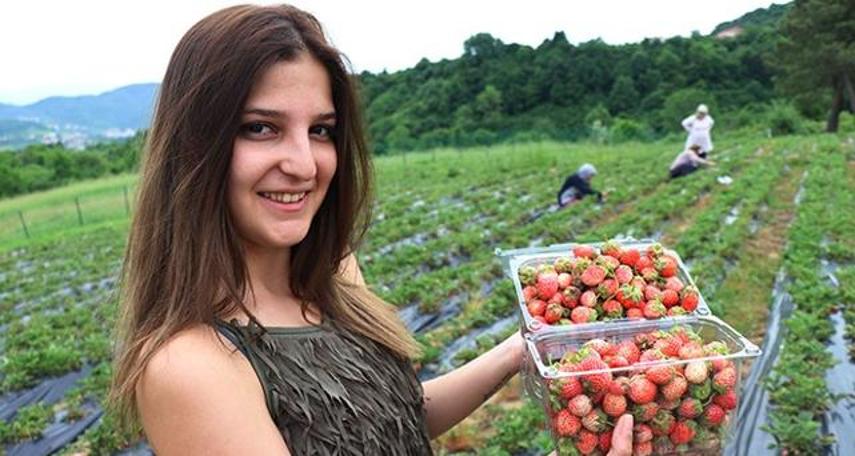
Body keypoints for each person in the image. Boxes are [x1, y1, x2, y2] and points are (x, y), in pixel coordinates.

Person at [108, 4, 634, 455]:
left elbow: (393, 419)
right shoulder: (192, 365)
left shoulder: (335, 275)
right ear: (194, 146)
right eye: (261, 128)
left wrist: (523, 347)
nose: (304, 164)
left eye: (320, 131)